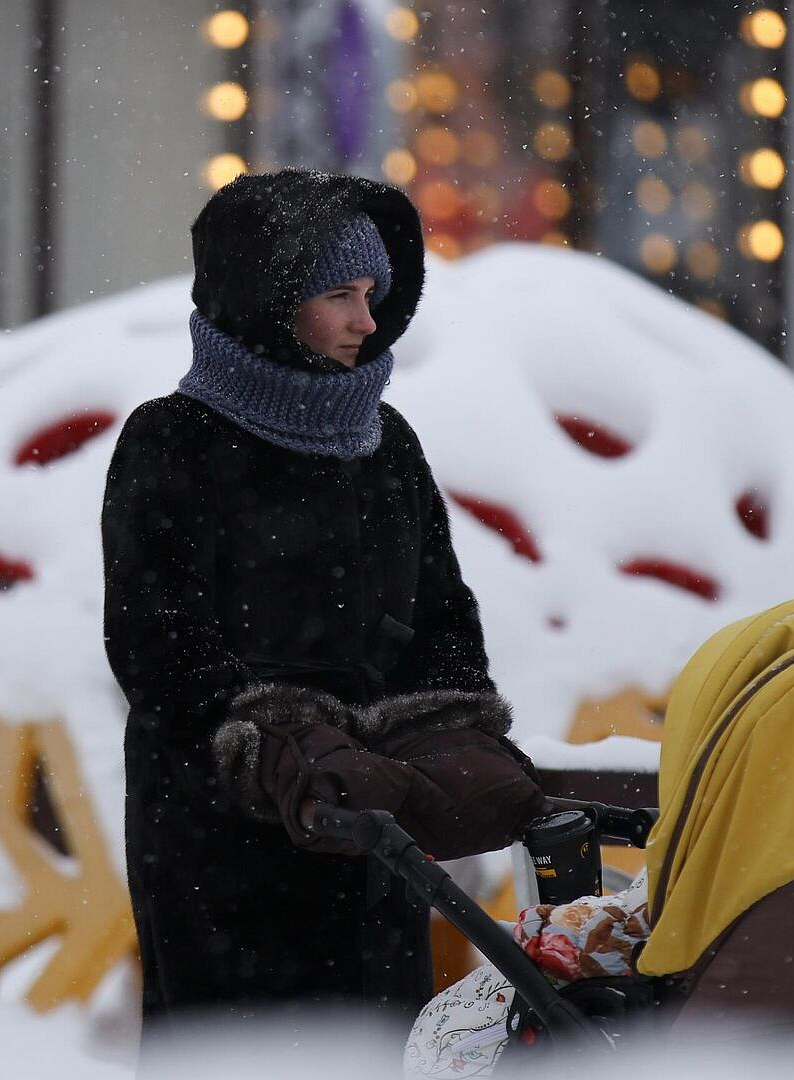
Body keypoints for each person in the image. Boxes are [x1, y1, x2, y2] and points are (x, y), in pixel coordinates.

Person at [101, 169, 551, 1033]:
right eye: (339, 294)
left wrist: (450, 732)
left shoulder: (387, 444)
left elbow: (441, 616)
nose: (366, 321)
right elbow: (156, 641)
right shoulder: (172, 440)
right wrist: (276, 745)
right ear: (269, 302)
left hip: (372, 825)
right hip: (218, 843)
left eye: (374, 293)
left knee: (374, 1043)